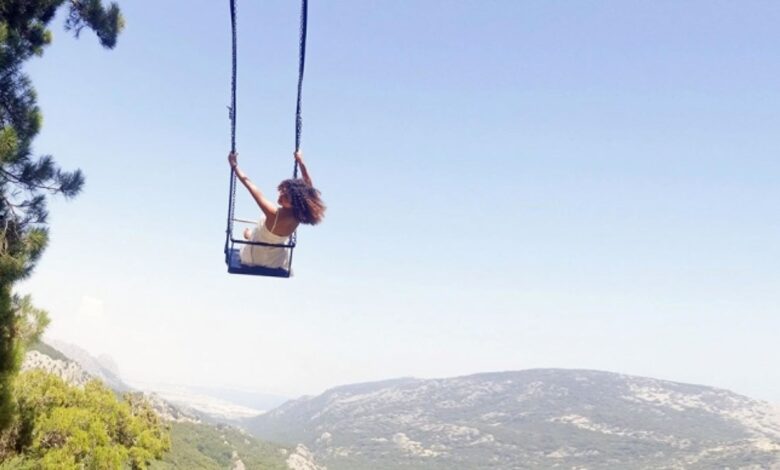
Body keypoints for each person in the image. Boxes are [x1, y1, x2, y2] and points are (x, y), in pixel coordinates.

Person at [228, 150, 325, 268]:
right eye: (282, 191)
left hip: (253, 257)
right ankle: (250, 235)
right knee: (266, 235)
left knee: (260, 227)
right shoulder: (300, 214)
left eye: (286, 197)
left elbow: (249, 185)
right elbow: (308, 186)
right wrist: (301, 161)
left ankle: (249, 236)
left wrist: (234, 165)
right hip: (275, 260)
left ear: (294, 203)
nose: (281, 196)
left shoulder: (273, 213)